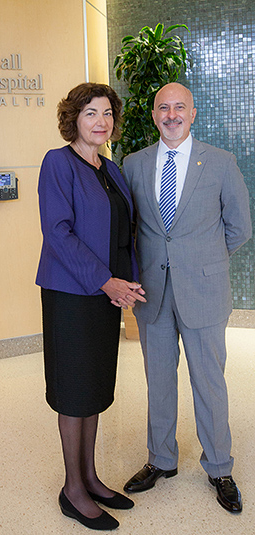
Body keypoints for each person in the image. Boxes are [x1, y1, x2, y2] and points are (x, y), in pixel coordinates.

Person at [122, 82, 252, 513]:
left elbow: (239, 227)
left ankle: (219, 466)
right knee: (158, 381)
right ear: (154, 114)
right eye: (164, 107)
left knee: (209, 383)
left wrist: (203, 261)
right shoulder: (134, 164)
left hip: (204, 291)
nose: (172, 114)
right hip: (152, 295)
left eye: (180, 107)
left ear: (193, 114)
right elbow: (131, 229)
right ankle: (161, 460)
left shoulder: (220, 162)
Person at [36, 82, 146, 530]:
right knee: (75, 391)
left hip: (106, 294)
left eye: (107, 113)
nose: (101, 122)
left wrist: (128, 285)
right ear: (73, 120)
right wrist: (106, 281)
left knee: (96, 387)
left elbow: (126, 231)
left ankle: (91, 476)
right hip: (72, 295)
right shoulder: (58, 163)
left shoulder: (111, 169)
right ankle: (72, 489)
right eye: (90, 114)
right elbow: (58, 232)